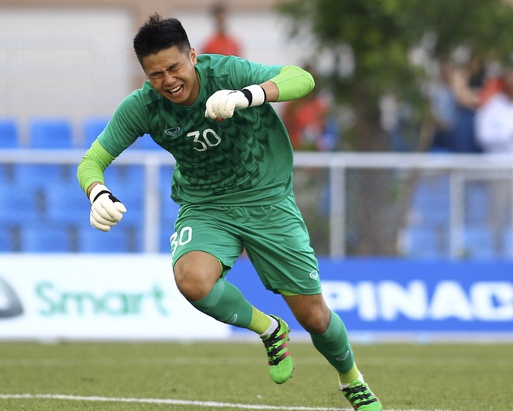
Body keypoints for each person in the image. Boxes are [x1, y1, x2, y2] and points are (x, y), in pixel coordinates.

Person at [77, 14, 382, 411]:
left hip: (266, 199)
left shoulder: (228, 72)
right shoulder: (143, 106)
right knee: (191, 280)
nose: (167, 80)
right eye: (155, 74)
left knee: (315, 317)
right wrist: (97, 192)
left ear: (192, 54)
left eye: (174, 67)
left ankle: (351, 379)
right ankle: (269, 329)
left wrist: (248, 95)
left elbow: (302, 79)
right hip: (206, 206)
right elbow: (91, 160)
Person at [475, 66, 513, 256]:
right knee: (497, 217)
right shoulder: (493, 108)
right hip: (498, 169)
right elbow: (483, 135)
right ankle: (496, 256)